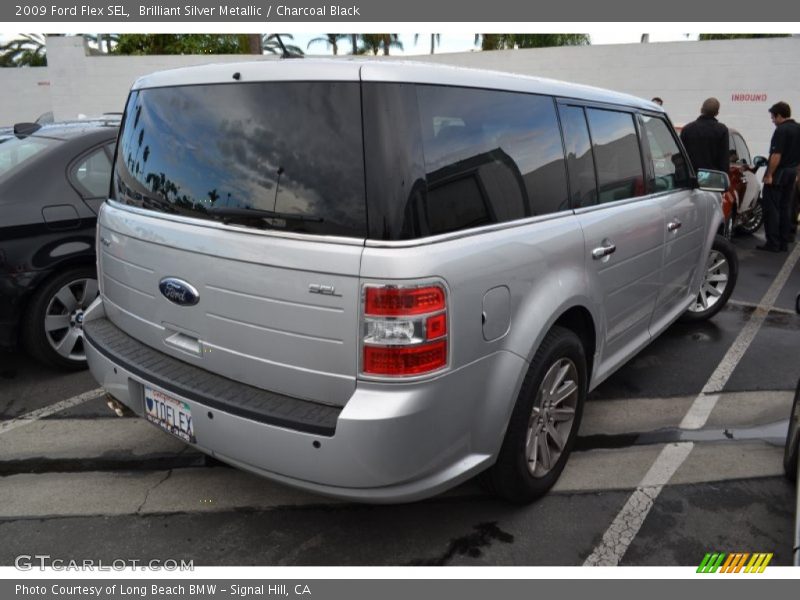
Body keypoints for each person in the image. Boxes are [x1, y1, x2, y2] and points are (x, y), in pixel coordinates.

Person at [758, 101, 800, 252]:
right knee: (786, 207)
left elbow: (776, 155)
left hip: (779, 174)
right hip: (792, 173)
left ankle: (773, 243)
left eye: (773, 117)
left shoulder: (781, 131)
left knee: (772, 208)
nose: (772, 120)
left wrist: (769, 175)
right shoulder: (798, 128)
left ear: (779, 115)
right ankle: (783, 242)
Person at [679, 97, 729, 173]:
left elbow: (679, 154)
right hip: (712, 178)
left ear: (701, 109)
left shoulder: (687, 129)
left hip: (690, 177)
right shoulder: (722, 130)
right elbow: (724, 159)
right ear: (717, 113)